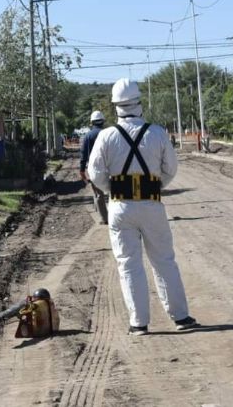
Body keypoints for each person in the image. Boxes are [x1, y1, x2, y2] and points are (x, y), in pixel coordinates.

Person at [87, 78, 198, 336]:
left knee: (128, 264)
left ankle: (139, 323)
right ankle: (181, 317)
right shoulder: (157, 132)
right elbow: (171, 169)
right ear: (139, 103)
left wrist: (110, 189)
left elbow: (95, 172)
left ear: (116, 106)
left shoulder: (106, 136)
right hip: (151, 203)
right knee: (164, 260)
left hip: (120, 205)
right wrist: (156, 186)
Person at [80, 110, 109, 225]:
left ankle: (104, 218)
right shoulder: (108, 133)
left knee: (98, 194)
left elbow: (83, 154)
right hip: (110, 167)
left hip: (94, 169)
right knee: (114, 192)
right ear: (103, 121)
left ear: (91, 122)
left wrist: (82, 170)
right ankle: (117, 216)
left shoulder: (88, 136)